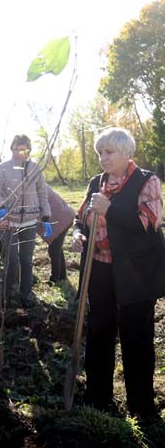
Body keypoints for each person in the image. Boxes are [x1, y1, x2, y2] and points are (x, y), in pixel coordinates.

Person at [71, 127, 164, 423]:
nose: (103, 158)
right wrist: (78, 234)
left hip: (135, 271)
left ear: (126, 153)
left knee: (137, 336)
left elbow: (148, 223)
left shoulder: (146, 181)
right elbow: (81, 217)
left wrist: (109, 209)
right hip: (99, 268)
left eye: (109, 152)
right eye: (100, 152)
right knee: (99, 331)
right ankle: (98, 397)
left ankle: (141, 405)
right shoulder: (96, 182)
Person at [0, 134, 51, 307]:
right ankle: (6, 295)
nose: (19, 152)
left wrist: (45, 217)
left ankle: (25, 294)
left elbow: (42, 193)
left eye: (22, 149)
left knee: (27, 260)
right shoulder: (3, 168)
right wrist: (1, 210)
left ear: (29, 150)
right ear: (11, 149)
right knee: (12, 260)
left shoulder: (35, 168)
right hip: (9, 223)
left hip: (29, 221)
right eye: (15, 148)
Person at [37, 185, 74, 283]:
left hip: (61, 218)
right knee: (56, 247)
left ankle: (55, 279)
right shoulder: (37, 182)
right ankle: (62, 276)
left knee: (54, 249)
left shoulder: (35, 187)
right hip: (63, 215)